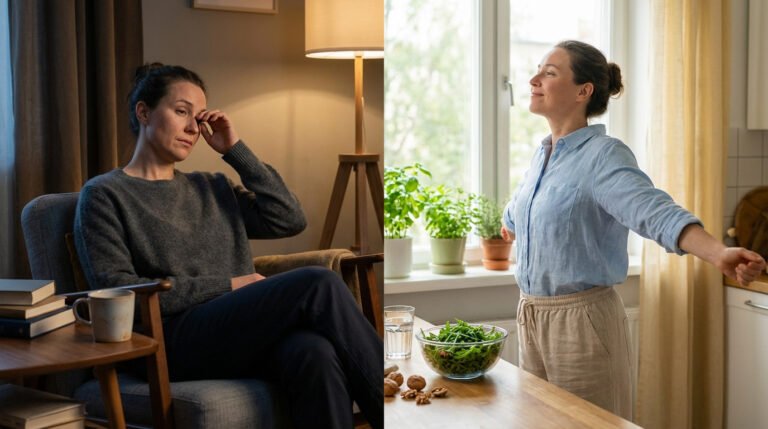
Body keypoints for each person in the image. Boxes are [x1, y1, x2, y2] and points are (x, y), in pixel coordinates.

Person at [74, 63, 383, 429]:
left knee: (313, 353)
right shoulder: (105, 194)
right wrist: (228, 286)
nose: (193, 127)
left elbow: (288, 218)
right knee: (319, 283)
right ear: (144, 112)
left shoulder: (212, 186)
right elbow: (117, 290)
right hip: (171, 340)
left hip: (238, 331)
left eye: (198, 116)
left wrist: (234, 149)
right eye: (180, 111)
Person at [501, 40, 766, 420]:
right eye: (538, 70)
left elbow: (653, 211)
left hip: (582, 323)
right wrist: (510, 222)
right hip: (531, 314)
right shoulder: (542, 154)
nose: (533, 79)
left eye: (549, 72)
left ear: (583, 91)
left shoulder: (603, 155)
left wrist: (716, 252)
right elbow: (526, 205)